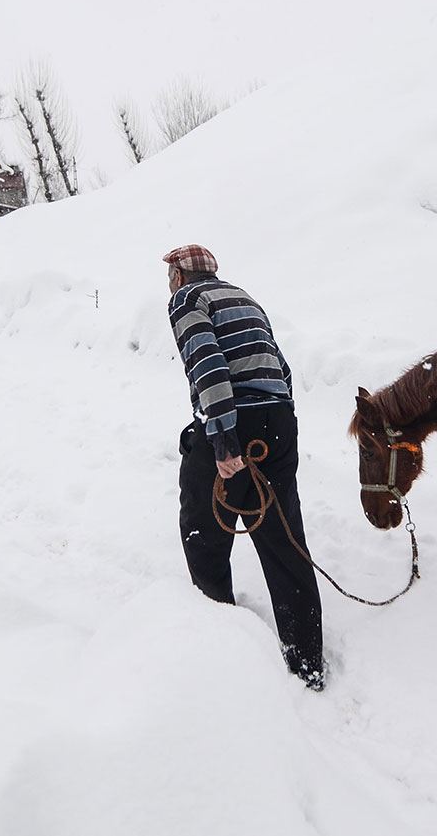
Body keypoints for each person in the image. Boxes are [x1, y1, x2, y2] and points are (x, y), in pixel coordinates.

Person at [164, 243, 325, 690]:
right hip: (278, 421)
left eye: (170, 275)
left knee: (203, 531)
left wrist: (224, 439)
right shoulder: (244, 297)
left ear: (180, 275)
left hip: (238, 422)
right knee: (284, 540)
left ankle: (220, 647)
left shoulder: (188, 301)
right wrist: (278, 429)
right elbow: (282, 367)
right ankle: (307, 663)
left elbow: (208, 366)